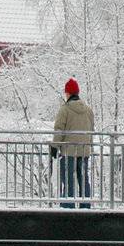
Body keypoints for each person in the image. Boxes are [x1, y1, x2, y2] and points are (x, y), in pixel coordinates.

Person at [51, 77, 94, 208]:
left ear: (68, 93)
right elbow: (91, 129)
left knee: (68, 182)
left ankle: (67, 209)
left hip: (69, 152)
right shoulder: (88, 110)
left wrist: (54, 146)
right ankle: (86, 207)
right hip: (84, 151)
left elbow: (59, 130)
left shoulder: (65, 109)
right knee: (84, 180)